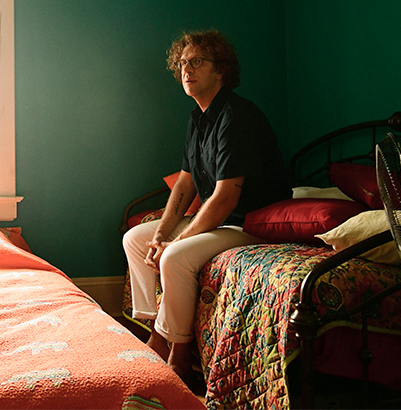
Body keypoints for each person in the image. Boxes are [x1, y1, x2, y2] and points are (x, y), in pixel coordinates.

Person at [122, 29, 290, 382]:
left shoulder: (237, 115)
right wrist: (162, 233)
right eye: (183, 63)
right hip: (220, 219)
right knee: (136, 239)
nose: (187, 69)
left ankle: (177, 354)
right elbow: (184, 184)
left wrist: (175, 243)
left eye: (197, 61)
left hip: (247, 223)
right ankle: (154, 330)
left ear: (221, 70)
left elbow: (226, 196)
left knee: (175, 257)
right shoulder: (198, 117)